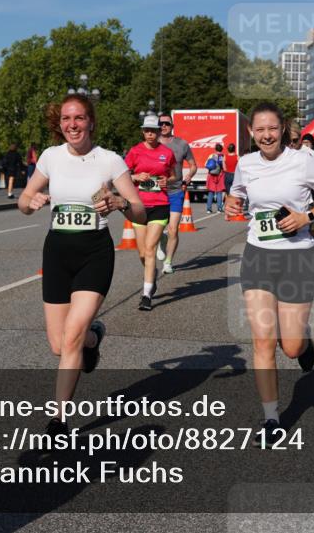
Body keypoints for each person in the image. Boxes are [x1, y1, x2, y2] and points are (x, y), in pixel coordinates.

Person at [19, 89, 145, 436]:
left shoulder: (109, 160)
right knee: (60, 345)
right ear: (59, 124)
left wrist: (119, 202)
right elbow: (24, 199)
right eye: (66, 119)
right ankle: (94, 338)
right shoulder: (50, 157)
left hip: (94, 252)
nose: (72, 125)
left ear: (90, 122)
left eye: (78, 118)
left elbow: (141, 211)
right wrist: (33, 201)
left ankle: (59, 420)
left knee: (70, 338)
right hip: (57, 252)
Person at [224, 102, 314, 433]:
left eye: (272, 129)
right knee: (263, 341)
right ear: (251, 132)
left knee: (290, 347)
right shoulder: (245, 164)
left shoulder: (303, 160)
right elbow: (236, 197)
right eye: (259, 130)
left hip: (296, 256)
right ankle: (272, 418)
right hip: (258, 255)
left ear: (282, 129)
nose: (266, 135)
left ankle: (304, 340)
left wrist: (306, 217)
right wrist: (231, 202)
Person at [125, 114, 177, 311]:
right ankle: (151, 272)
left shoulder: (166, 152)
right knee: (142, 253)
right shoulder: (135, 151)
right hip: (139, 206)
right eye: (146, 130)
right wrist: (136, 176)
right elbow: (123, 175)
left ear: (158, 131)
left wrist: (167, 181)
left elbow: (173, 175)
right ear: (143, 131)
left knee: (149, 249)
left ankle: (146, 294)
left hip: (160, 205)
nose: (150, 134)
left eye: (153, 130)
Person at [157, 112, 196, 274]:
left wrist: (187, 178)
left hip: (176, 191)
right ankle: (160, 238)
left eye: (167, 123)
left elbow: (193, 165)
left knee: (173, 229)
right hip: (156, 193)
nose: (164, 126)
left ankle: (168, 261)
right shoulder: (152, 144)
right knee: (157, 228)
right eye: (161, 124)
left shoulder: (182, 144)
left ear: (172, 126)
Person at [205, 143, 226, 213]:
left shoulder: (211, 156)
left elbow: (206, 164)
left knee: (211, 192)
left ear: (215, 149)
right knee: (219, 192)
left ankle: (208, 209)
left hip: (211, 175)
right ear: (222, 149)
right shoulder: (222, 156)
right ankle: (219, 209)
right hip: (220, 175)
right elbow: (223, 166)